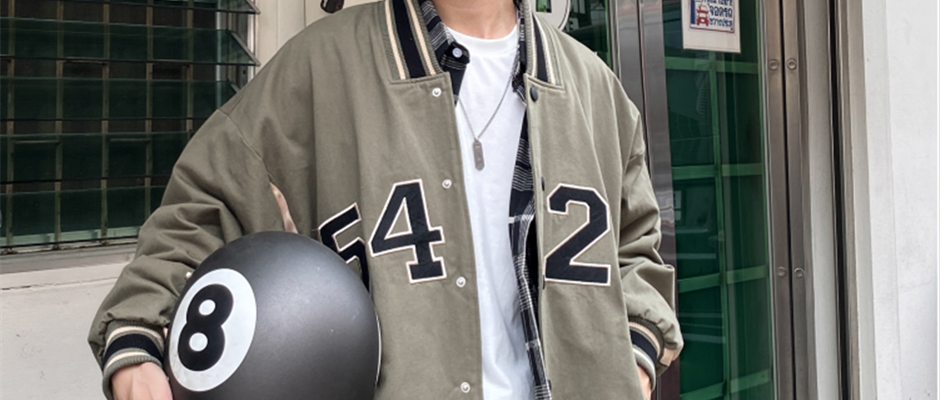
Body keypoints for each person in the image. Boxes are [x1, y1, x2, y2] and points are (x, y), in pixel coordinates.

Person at [88, 0, 683, 399]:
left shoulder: (592, 85)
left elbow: (636, 248)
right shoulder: (319, 67)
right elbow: (200, 210)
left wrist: (632, 361)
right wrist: (138, 341)